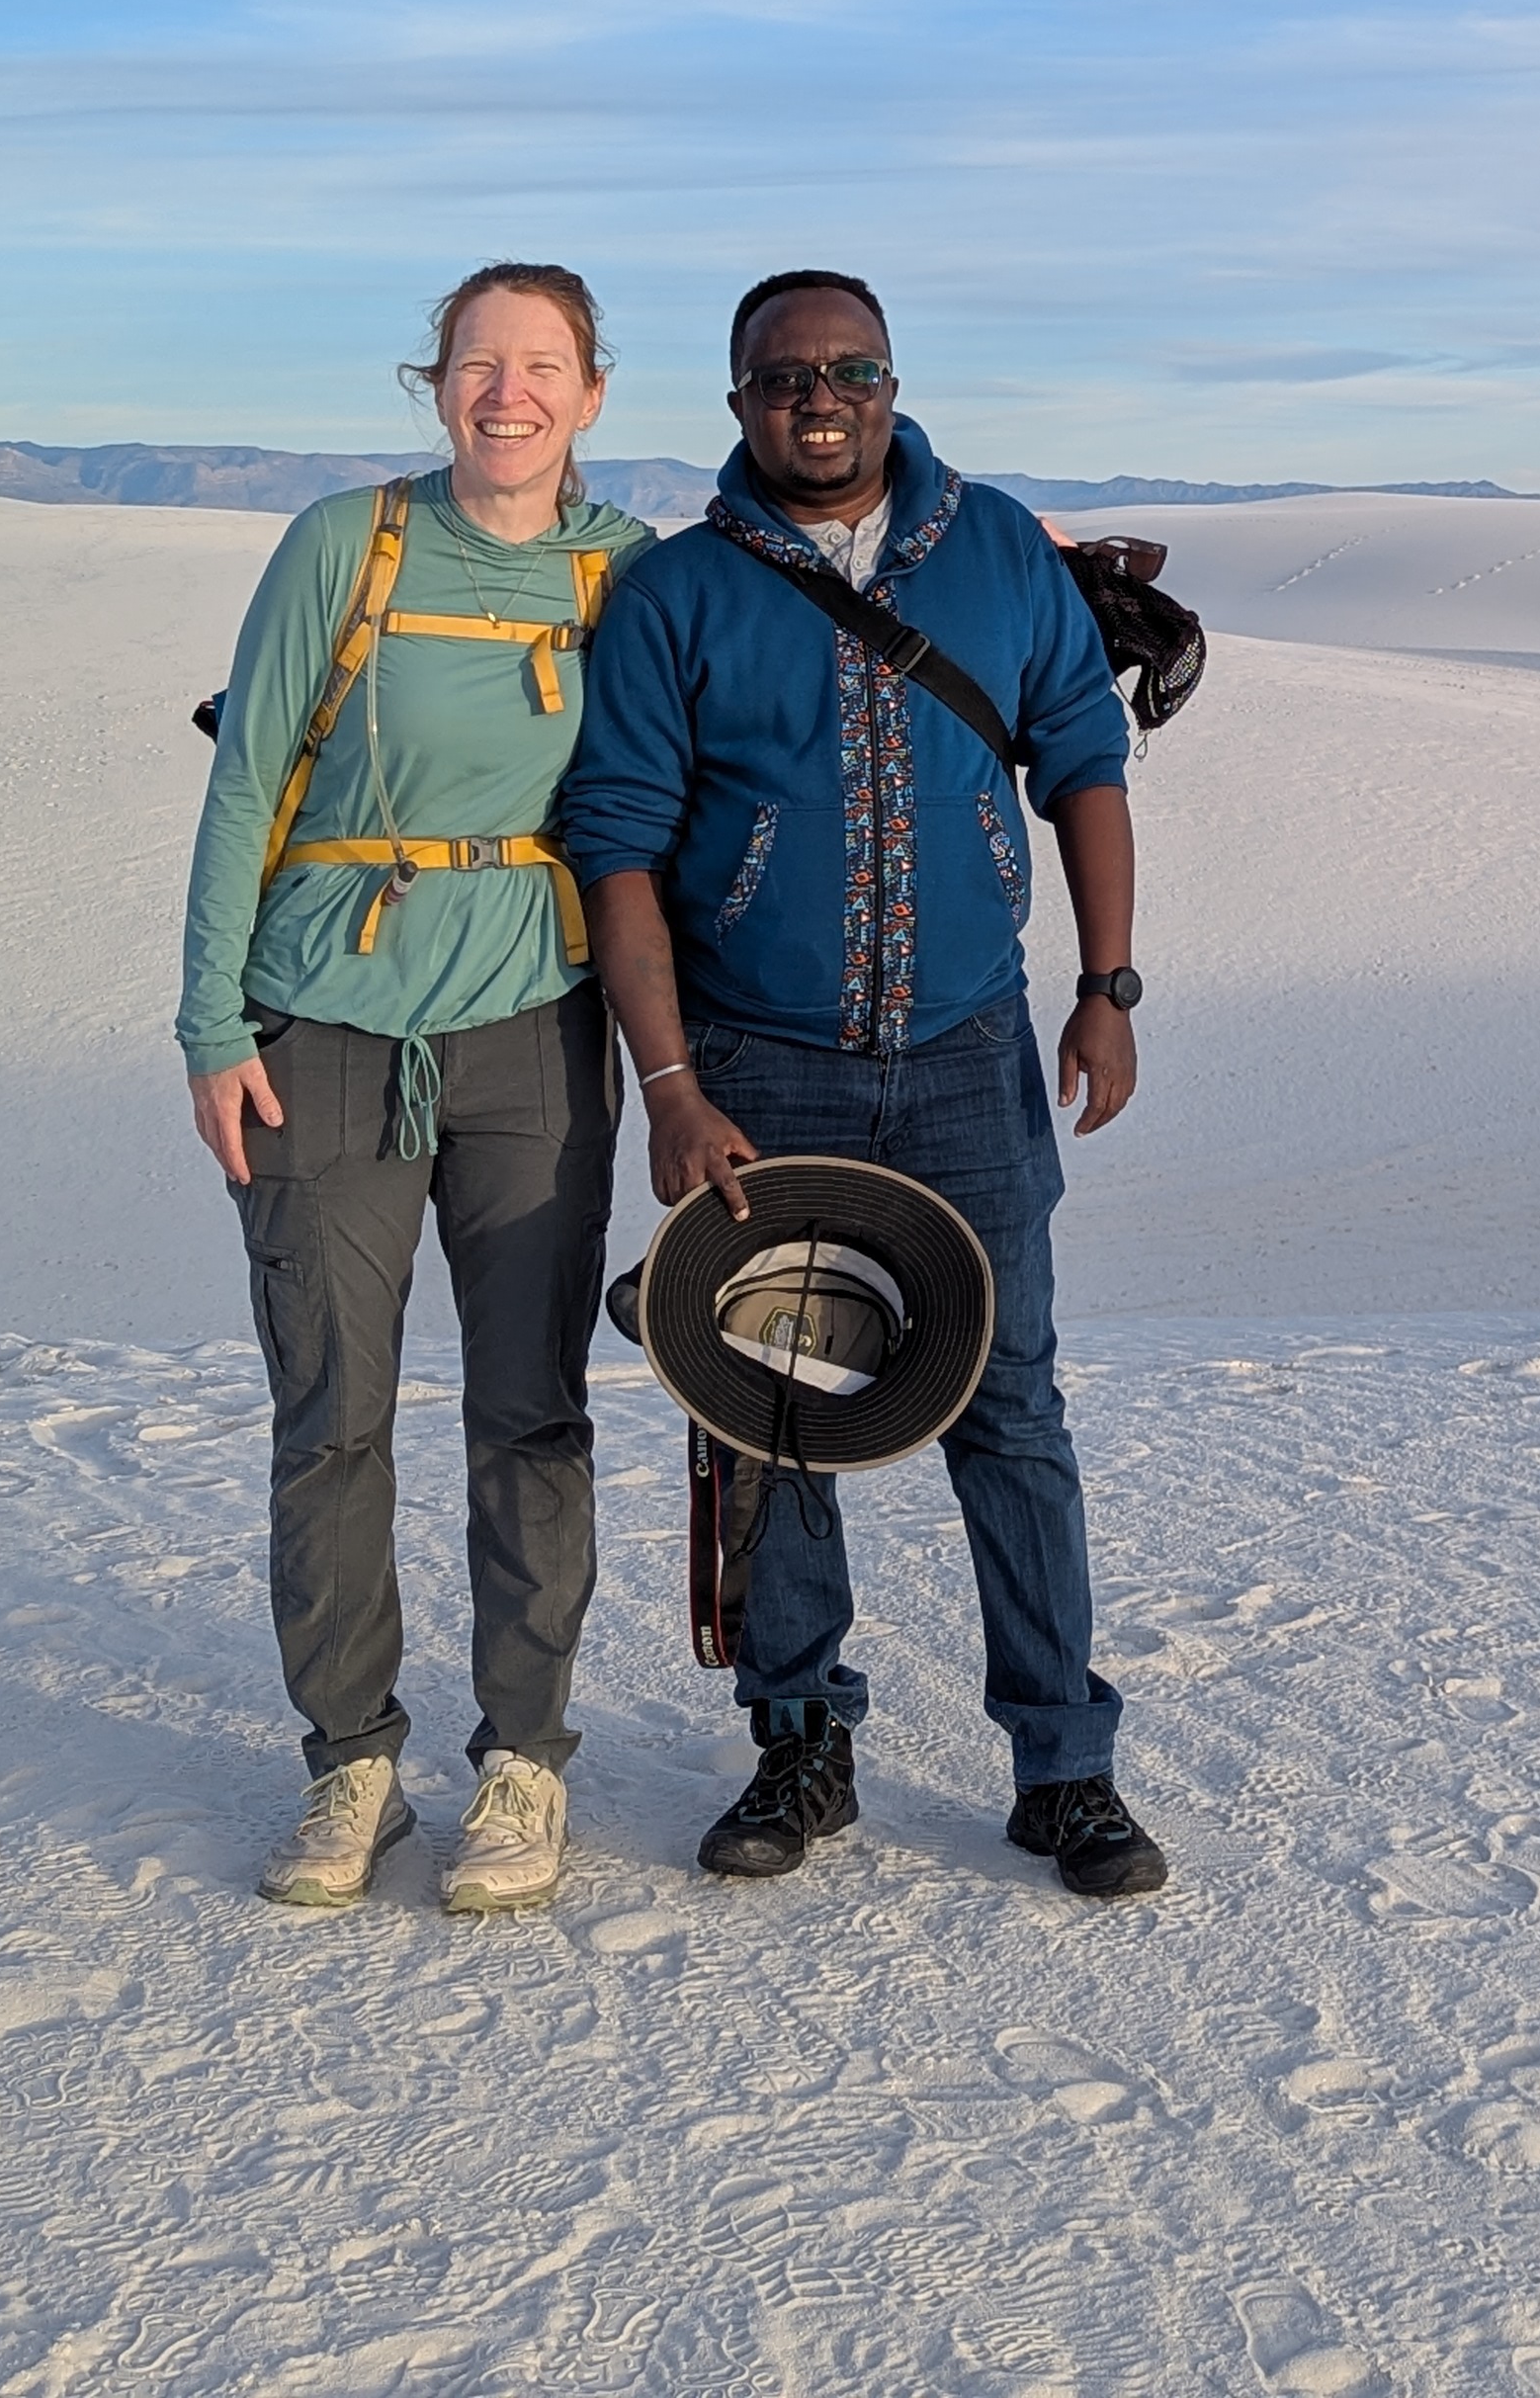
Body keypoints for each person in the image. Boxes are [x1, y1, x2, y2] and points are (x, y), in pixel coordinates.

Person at [562, 272, 1168, 1900]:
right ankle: (799, 1742)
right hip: (760, 1061)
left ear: (895, 380)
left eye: (848, 370)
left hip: (971, 1052)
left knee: (1011, 1409)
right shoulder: (680, 591)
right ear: (738, 396)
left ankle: (1065, 1764)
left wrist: (1107, 988)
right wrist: (673, 1083)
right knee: (768, 1412)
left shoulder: (997, 547)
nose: (815, 398)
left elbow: (1080, 759)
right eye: (780, 378)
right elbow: (616, 839)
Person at [179, 265, 653, 1915]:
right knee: (331, 1416)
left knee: (534, 1412)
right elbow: (247, 787)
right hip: (320, 1016)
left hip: (535, 1020)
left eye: (542, 367)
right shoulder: (346, 543)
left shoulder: (630, 573)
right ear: (434, 383)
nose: (506, 394)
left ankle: (522, 1762)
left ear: (592, 393)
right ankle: (350, 1767)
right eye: (477, 363)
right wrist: (208, 1031)